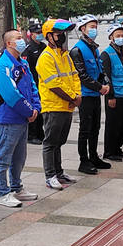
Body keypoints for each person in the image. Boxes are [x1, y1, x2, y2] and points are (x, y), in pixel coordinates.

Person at [0, 29, 40, 208]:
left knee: (19, 157)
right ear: (9, 43)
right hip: (10, 118)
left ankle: (16, 187)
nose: (22, 41)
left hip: (23, 118)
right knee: (4, 157)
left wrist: (36, 108)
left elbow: (32, 86)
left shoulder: (23, 63)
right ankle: (3, 192)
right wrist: (28, 111)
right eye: (18, 38)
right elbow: (11, 94)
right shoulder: (3, 65)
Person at [36, 19, 80, 190]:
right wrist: (73, 97)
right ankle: (50, 176)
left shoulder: (65, 55)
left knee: (59, 141)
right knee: (50, 143)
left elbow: (74, 76)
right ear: (49, 36)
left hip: (67, 105)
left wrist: (77, 95)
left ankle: (59, 172)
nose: (62, 37)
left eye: (63, 34)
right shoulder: (46, 57)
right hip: (53, 106)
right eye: (58, 34)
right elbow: (54, 84)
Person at [69, 17, 110, 175]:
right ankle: (84, 160)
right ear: (82, 29)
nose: (94, 30)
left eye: (95, 27)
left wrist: (105, 83)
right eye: (91, 27)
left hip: (95, 94)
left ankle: (94, 156)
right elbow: (82, 75)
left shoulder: (94, 48)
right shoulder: (77, 50)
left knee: (95, 127)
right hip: (85, 95)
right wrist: (100, 87)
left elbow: (100, 70)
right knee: (85, 129)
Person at [100, 25, 123, 163]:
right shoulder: (106, 54)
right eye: (118, 36)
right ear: (111, 37)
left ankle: (117, 148)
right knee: (112, 124)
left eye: (122, 35)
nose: (121, 38)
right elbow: (106, 77)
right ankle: (109, 151)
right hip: (114, 95)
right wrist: (110, 96)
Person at [21, 21, 46, 146]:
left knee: (41, 109)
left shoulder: (44, 47)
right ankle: (31, 135)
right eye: (37, 33)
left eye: (41, 32)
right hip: (33, 83)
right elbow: (26, 69)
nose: (40, 35)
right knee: (33, 109)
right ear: (31, 34)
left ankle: (40, 133)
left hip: (43, 83)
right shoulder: (28, 49)